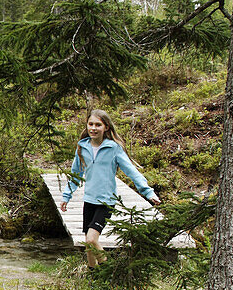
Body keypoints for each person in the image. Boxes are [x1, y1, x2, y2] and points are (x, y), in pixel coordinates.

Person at [59, 109, 160, 268]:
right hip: (89, 200)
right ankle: (93, 276)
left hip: (106, 202)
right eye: (90, 124)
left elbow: (131, 171)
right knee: (89, 243)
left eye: (98, 125)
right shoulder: (82, 147)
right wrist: (66, 196)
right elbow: (75, 174)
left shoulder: (114, 148)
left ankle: (110, 271)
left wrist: (148, 192)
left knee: (92, 239)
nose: (93, 128)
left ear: (106, 127)